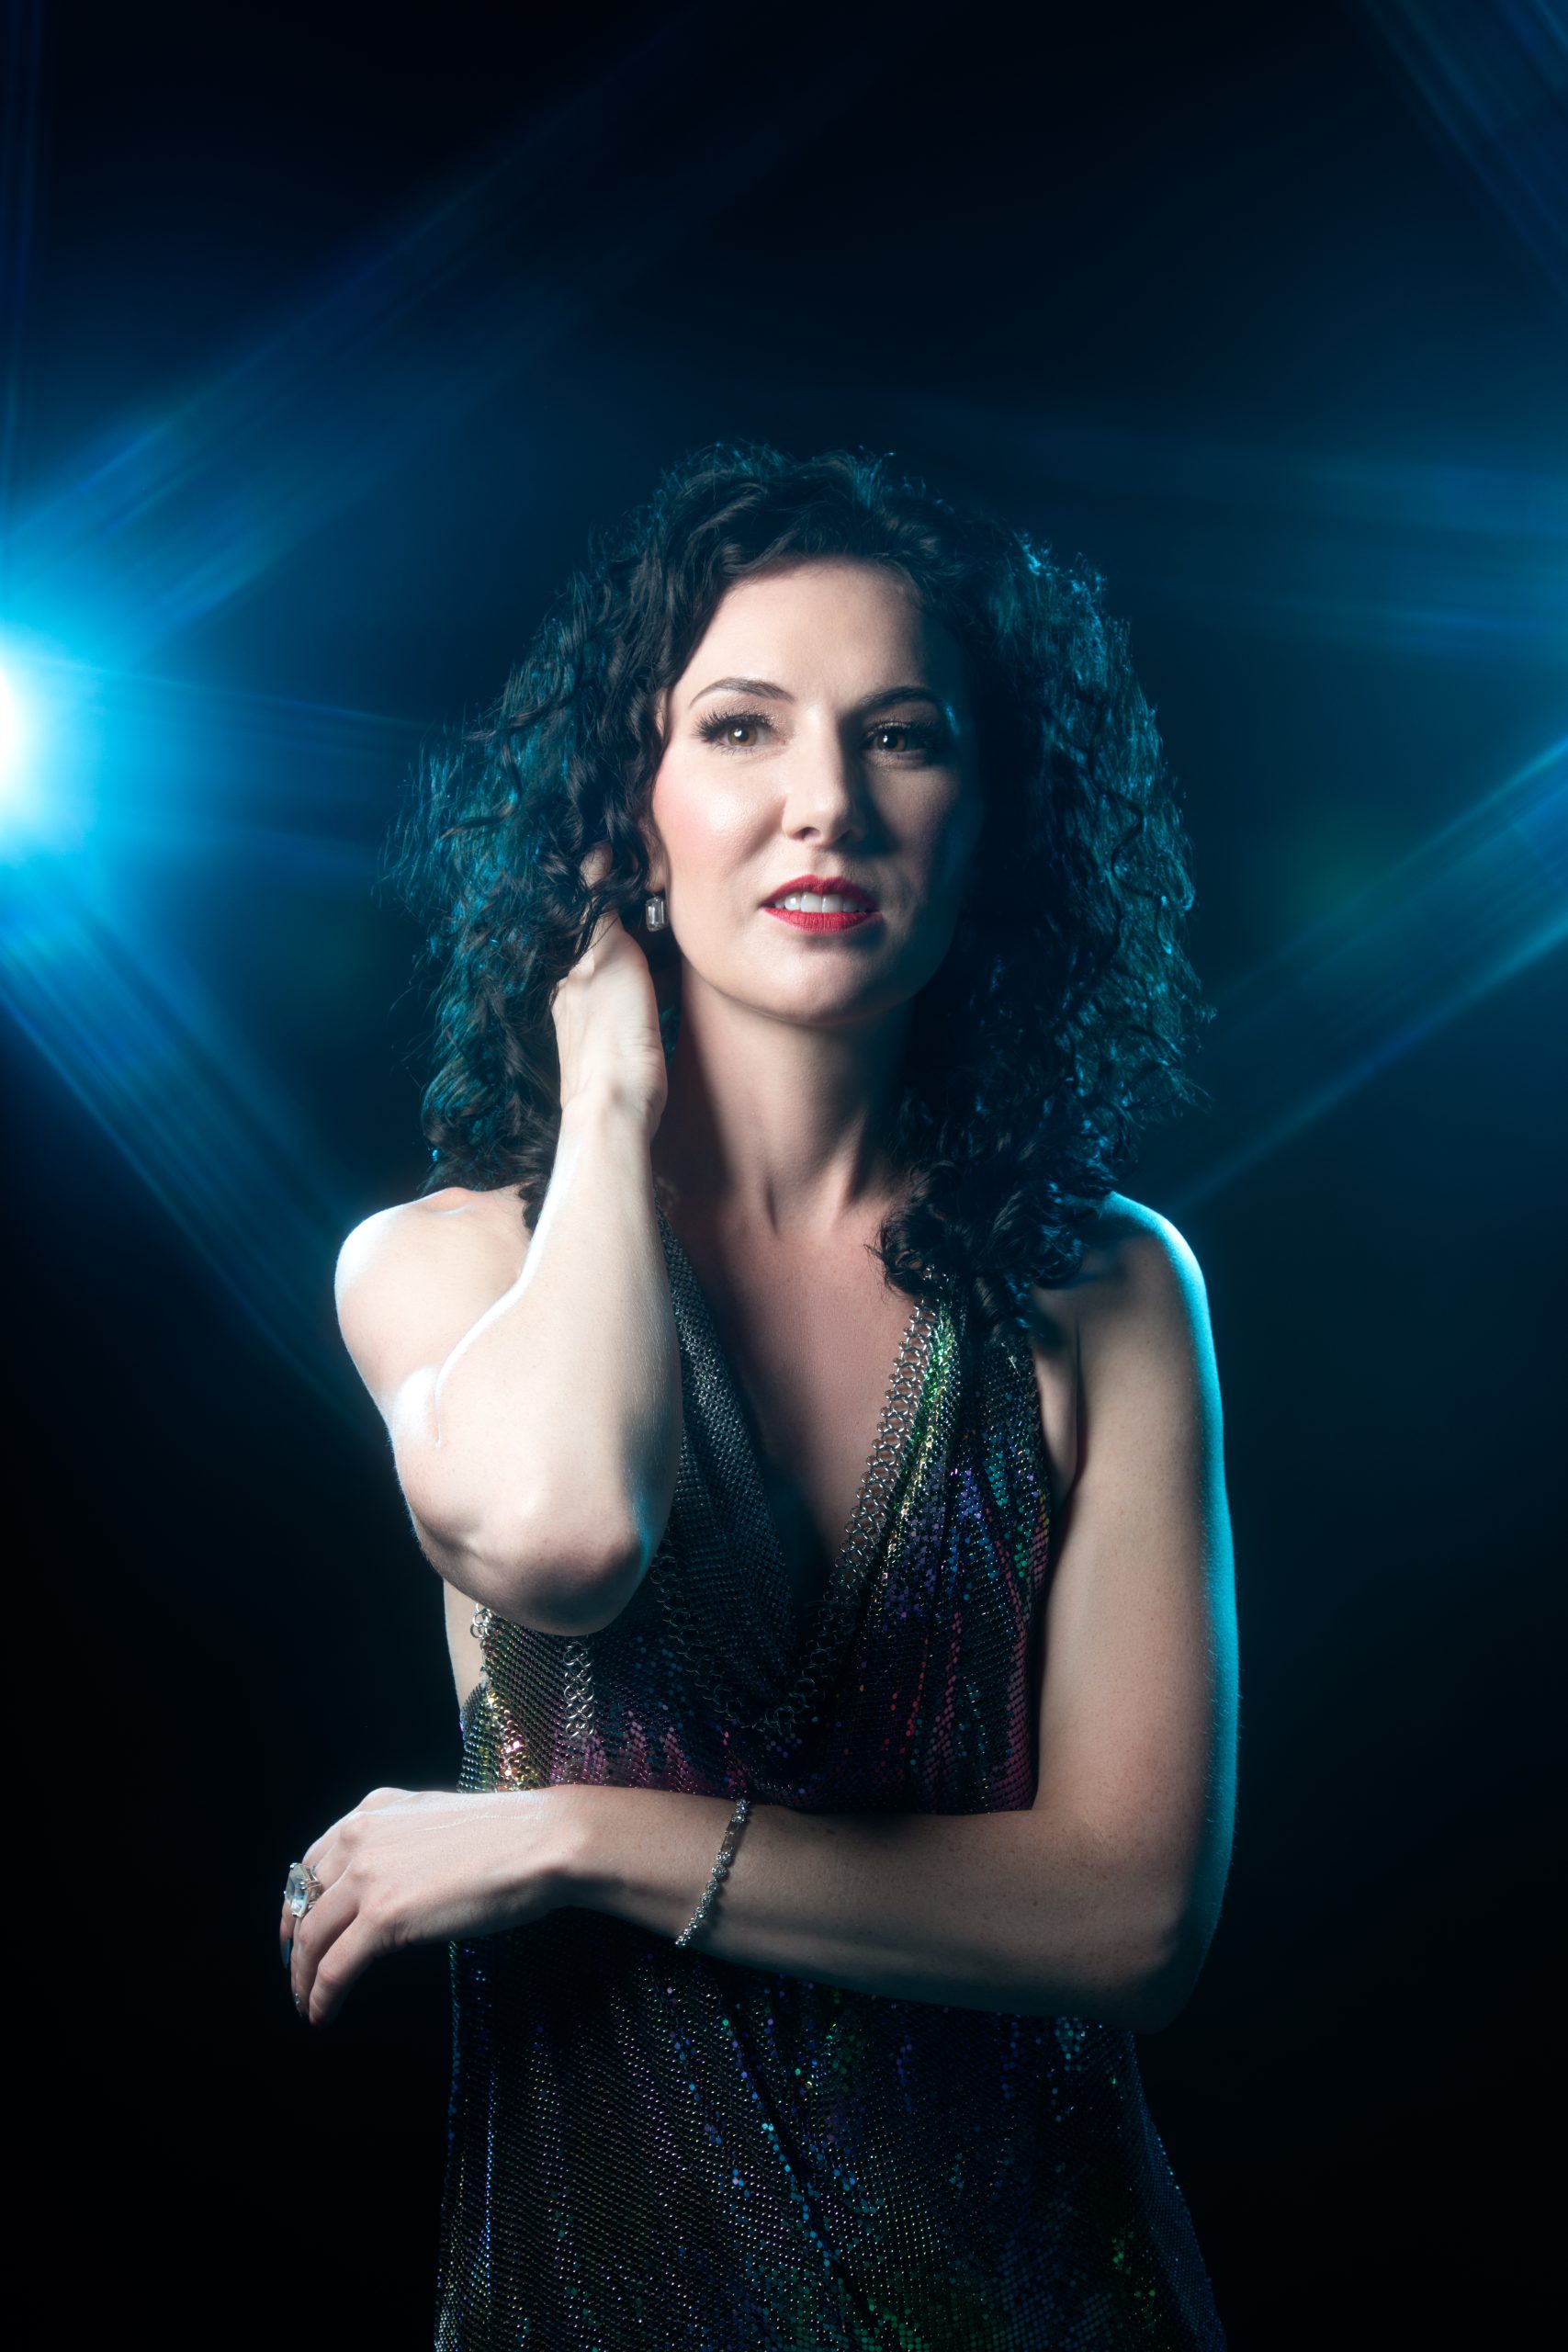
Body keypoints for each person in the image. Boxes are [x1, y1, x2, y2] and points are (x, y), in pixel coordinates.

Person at [280, 440, 1238, 2348]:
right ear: (623, 820)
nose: (827, 804)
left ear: (990, 819)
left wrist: (568, 1835)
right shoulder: (444, 1266)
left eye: (902, 738)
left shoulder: (1109, 1287)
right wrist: (610, 1083)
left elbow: (1130, 1918)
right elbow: (568, 1529)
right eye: (738, 728)